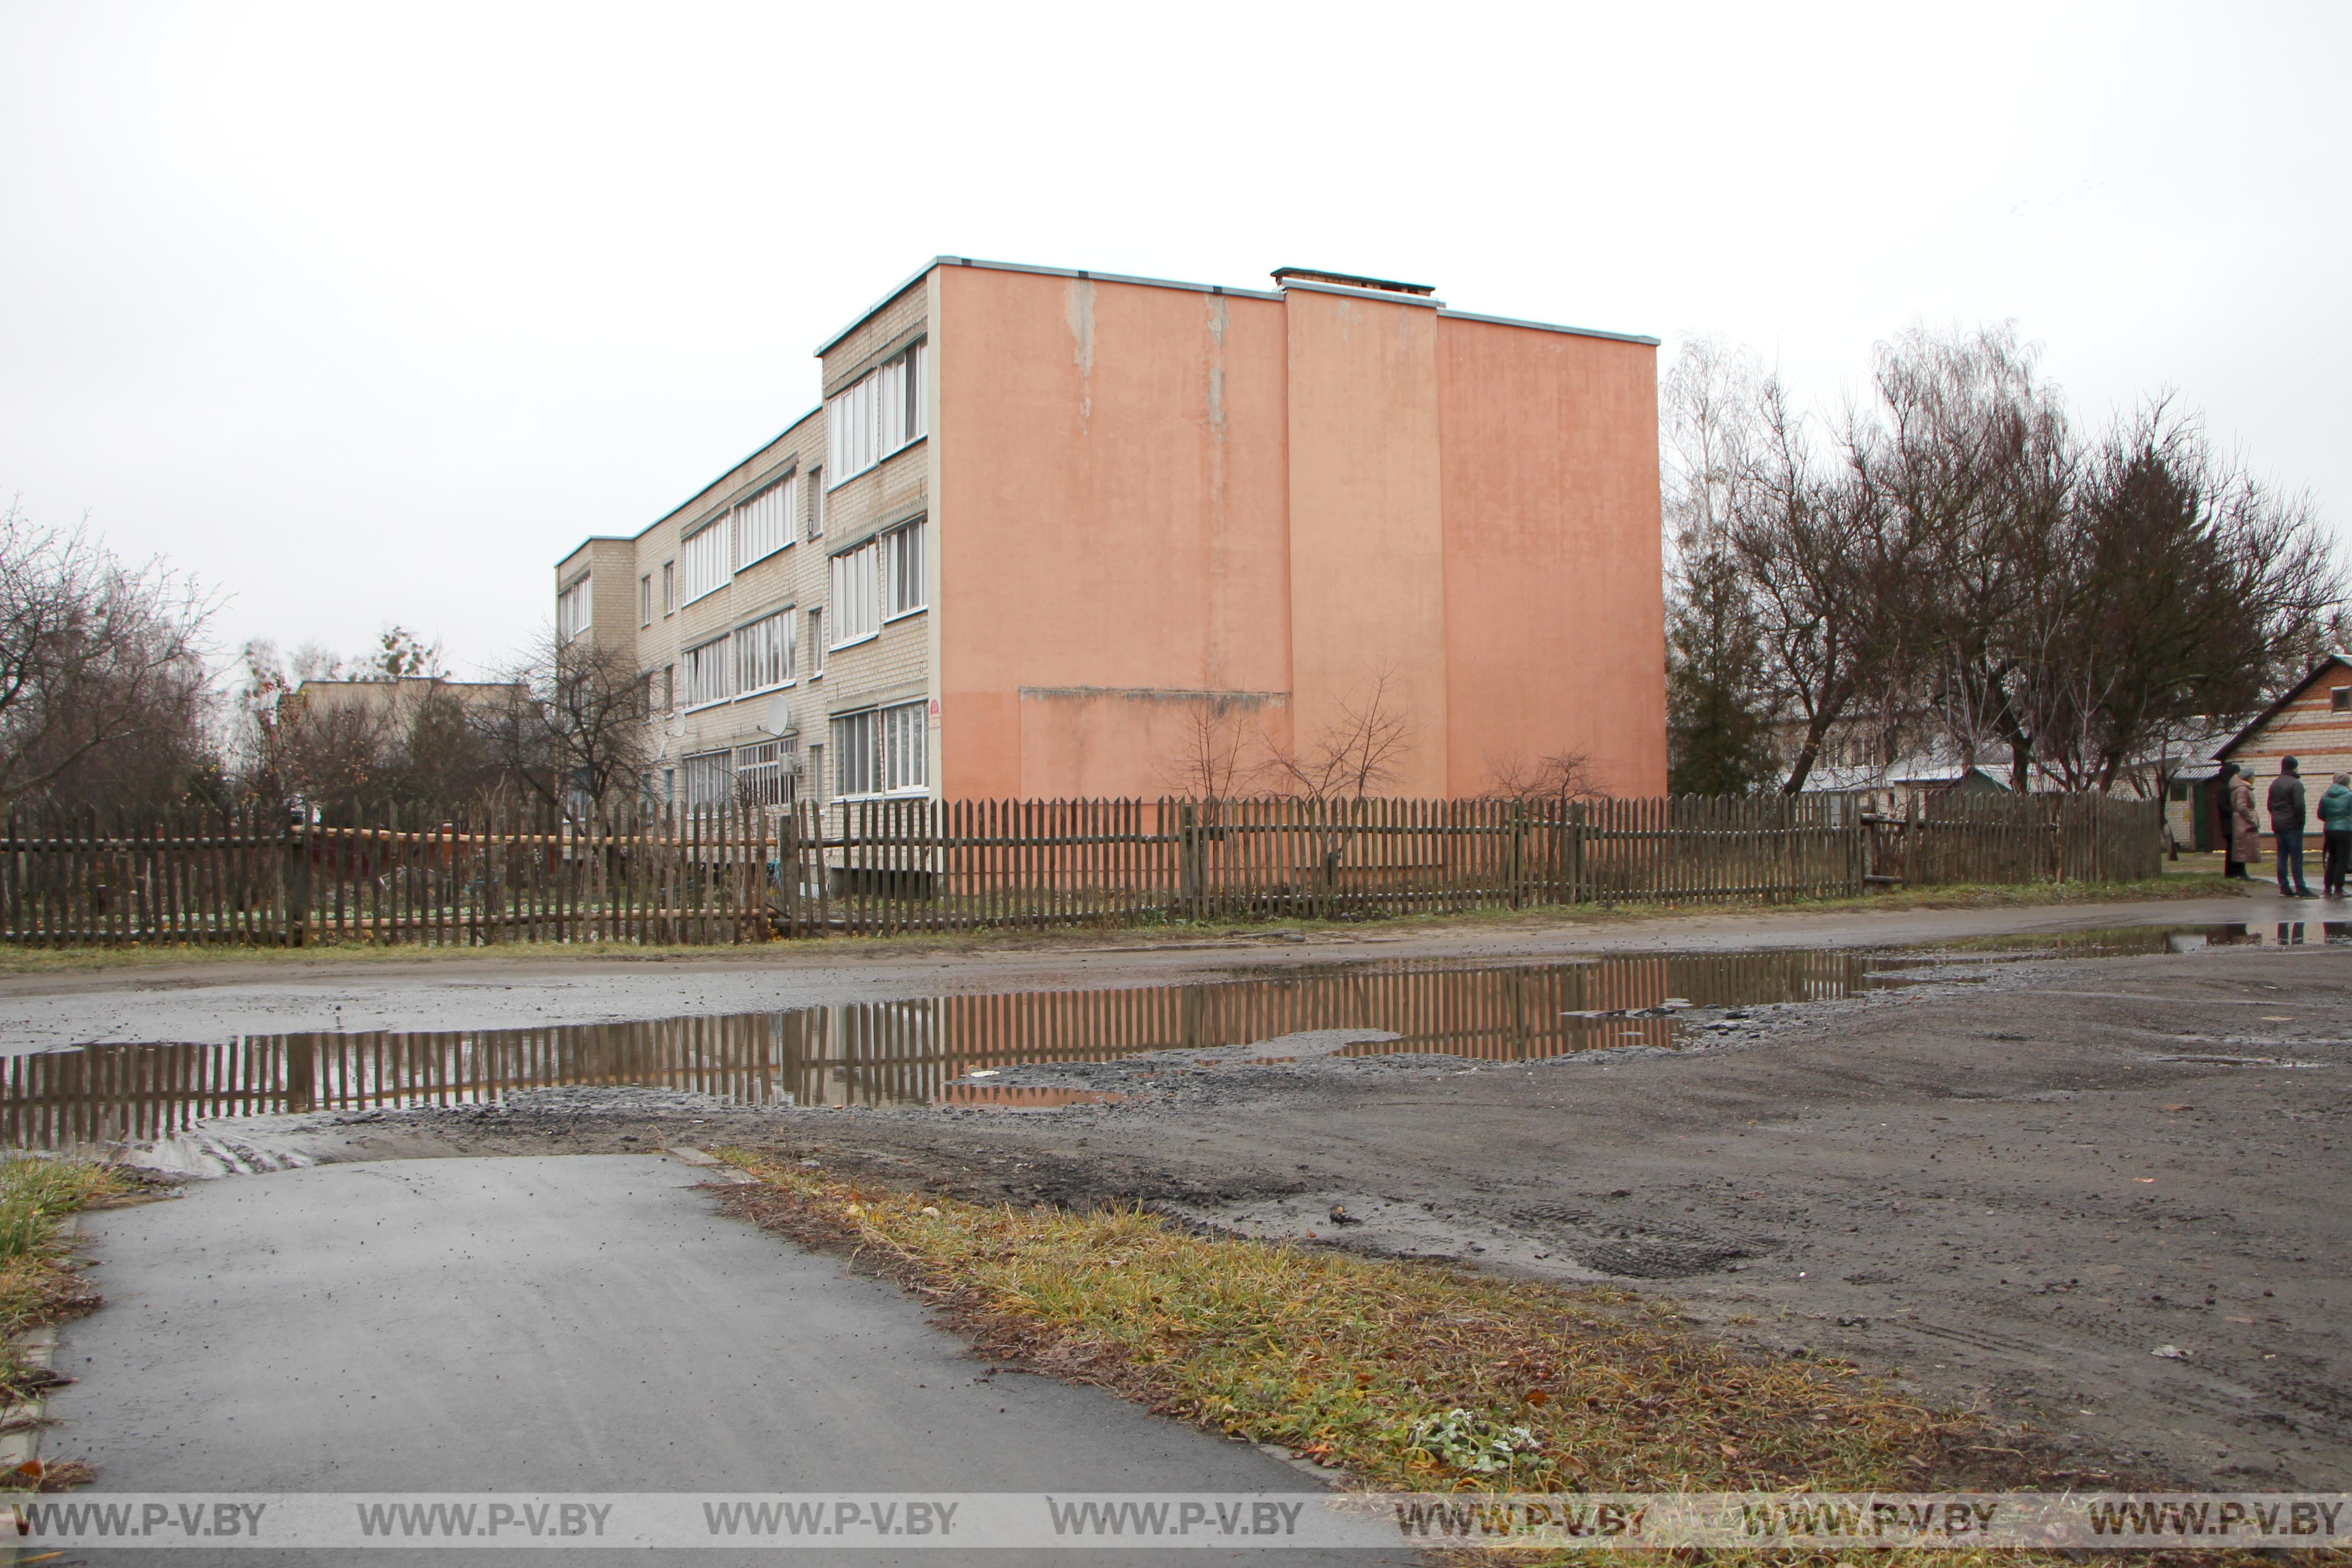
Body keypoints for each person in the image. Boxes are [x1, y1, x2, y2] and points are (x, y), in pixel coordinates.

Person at [2268, 755, 2315, 898]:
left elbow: (2270, 805)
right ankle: (2300, 887)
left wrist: (2277, 817)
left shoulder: (2275, 784)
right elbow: (2299, 805)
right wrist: (2300, 821)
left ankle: (2284, 886)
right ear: (2294, 767)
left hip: (2278, 824)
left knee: (2282, 856)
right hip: (2292, 824)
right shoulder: (2296, 784)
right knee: (2296, 856)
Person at [2229, 765, 2263, 881]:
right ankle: (2240, 873)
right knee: (2242, 847)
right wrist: (2252, 819)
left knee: (2242, 847)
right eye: (2253, 776)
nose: (2254, 778)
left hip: (2241, 821)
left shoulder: (2241, 788)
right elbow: (2242, 806)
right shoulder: (2243, 789)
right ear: (2248, 777)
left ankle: (2242, 872)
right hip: (2243, 822)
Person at [2322, 771, 2352, 899]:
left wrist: (2331, 820)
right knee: (2342, 859)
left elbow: (2321, 814)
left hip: (2329, 829)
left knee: (2332, 858)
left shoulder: (2326, 795)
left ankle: (2327, 889)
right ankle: (2339, 889)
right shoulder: (2349, 795)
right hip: (2345, 829)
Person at [2217, 762, 2245, 876]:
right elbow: (2223, 806)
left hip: (2232, 824)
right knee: (2234, 849)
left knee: (2236, 849)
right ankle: (2234, 873)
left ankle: (2236, 872)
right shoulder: (2225, 788)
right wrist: (2236, 813)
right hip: (2230, 824)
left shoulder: (2230, 787)